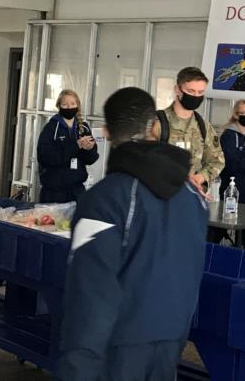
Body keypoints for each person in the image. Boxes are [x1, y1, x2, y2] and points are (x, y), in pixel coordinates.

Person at [55, 87, 208, 381]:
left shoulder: (105, 199)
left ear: (107, 132)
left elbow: (91, 295)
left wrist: (76, 368)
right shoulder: (194, 195)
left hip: (116, 350)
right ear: (154, 128)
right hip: (171, 341)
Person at [152, 66, 224, 195]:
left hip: (193, 197)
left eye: (200, 92)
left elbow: (217, 161)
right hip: (162, 197)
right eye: (191, 91)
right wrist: (182, 179)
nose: (196, 96)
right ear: (177, 90)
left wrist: (199, 178)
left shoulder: (204, 126)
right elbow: (145, 161)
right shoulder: (157, 123)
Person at [36, 90, 99, 203]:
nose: (69, 107)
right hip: (54, 192)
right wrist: (76, 145)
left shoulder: (83, 128)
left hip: (77, 190)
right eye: (65, 104)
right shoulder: (51, 128)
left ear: (77, 105)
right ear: (59, 106)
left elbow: (91, 159)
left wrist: (89, 149)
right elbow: (45, 158)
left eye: (72, 104)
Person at [216, 100, 245, 249]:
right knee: (222, 227)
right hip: (232, 190)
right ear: (236, 115)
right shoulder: (229, 135)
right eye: (243, 113)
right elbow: (231, 162)